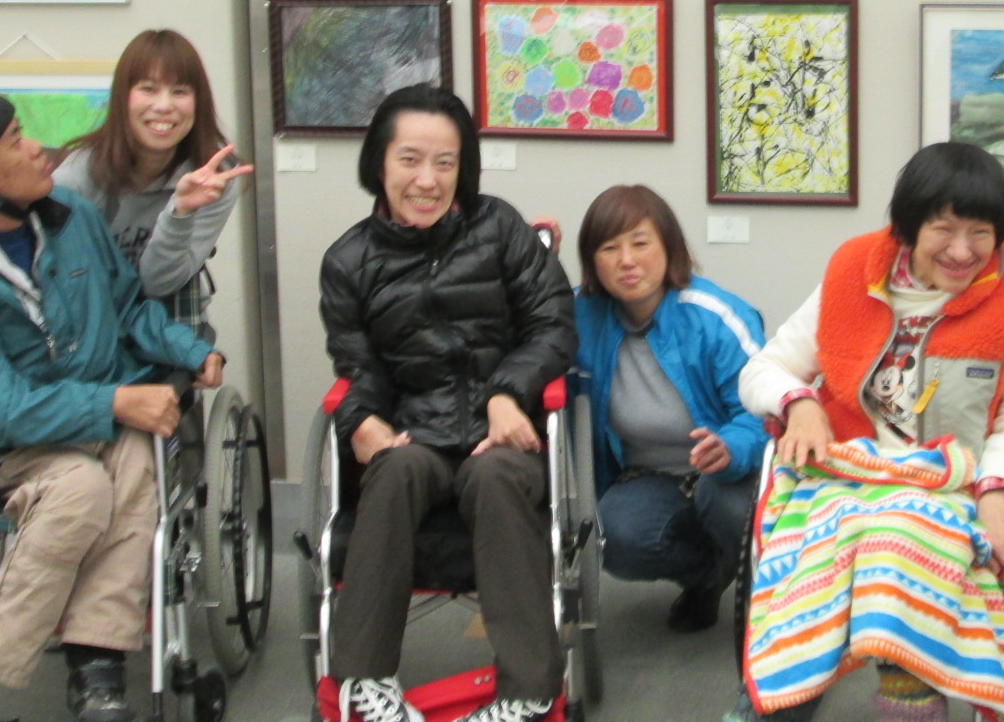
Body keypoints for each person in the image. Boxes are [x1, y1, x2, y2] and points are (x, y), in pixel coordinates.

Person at [0, 88, 224, 722]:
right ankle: (33, 666)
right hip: (30, 447)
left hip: (113, 416)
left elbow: (128, 307)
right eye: (15, 142)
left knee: (134, 466)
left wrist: (191, 351)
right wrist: (114, 401)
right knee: (82, 488)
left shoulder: (72, 216)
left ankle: (46, 665)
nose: (37, 149)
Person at [731, 141, 1004, 722]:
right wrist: (799, 403)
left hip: (952, 483)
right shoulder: (854, 270)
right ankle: (780, 699)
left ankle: (907, 692)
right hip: (846, 473)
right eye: (944, 229)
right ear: (909, 228)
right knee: (817, 549)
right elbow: (765, 368)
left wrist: (996, 490)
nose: (962, 251)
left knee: (894, 536)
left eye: (981, 233)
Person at [320, 85, 576, 722]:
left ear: (465, 168)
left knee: (494, 477)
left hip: (503, 435)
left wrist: (507, 392)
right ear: (379, 162)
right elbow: (359, 367)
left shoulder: (501, 228)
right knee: (393, 470)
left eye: (445, 162)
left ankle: (529, 690)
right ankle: (363, 683)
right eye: (410, 159)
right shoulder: (348, 261)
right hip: (417, 433)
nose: (428, 180)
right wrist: (361, 420)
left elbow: (553, 325)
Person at [570, 185, 767, 633]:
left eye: (640, 243)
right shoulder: (579, 315)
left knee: (729, 507)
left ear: (669, 247)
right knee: (614, 536)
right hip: (649, 475)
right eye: (609, 248)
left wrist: (731, 447)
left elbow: (766, 411)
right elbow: (523, 322)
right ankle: (708, 573)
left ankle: (778, 603)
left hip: (728, 473)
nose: (627, 260)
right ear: (592, 261)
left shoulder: (715, 315)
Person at [52, 28, 253, 325]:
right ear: (123, 97)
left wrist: (181, 212)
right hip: (91, 321)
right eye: (148, 89)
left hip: (170, 323)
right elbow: (61, 280)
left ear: (198, 101)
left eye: (179, 92)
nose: (163, 106)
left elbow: (159, 284)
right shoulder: (76, 177)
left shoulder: (215, 177)